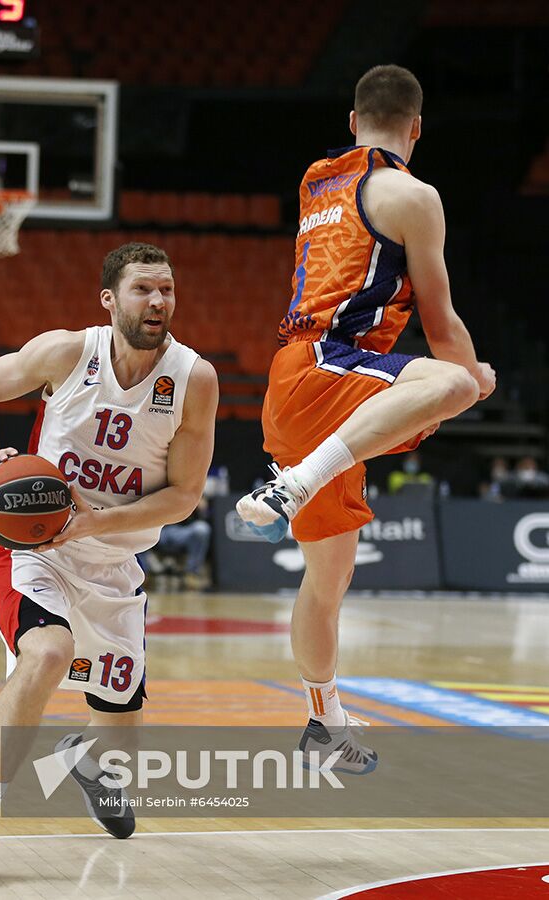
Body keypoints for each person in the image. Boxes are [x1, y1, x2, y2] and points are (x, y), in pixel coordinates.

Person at [236, 65, 495, 772]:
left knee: (328, 583)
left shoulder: (317, 179)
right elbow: (440, 324)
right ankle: (296, 481)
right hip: (329, 372)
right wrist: (476, 381)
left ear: (353, 122)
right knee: (453, 379)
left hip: (295, 383)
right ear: (417, 128)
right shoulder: (414, 195)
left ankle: (326, 723)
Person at [0, 242, 219, 884]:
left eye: (167, 290)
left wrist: (97, 522)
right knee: (46, 652)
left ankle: (91, 763)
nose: (158, 302)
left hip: (115, 564)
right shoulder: (68, 352)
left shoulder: (193, 379)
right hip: (36, 551)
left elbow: (182, 497)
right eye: (144, 289)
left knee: (118, 726)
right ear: (110, 299)